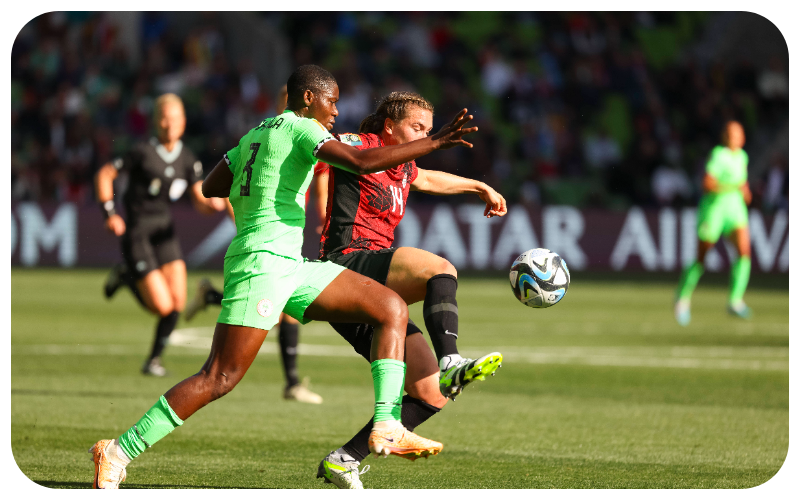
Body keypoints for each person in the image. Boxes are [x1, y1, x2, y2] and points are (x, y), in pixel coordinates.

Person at [88, 65, 480, 489]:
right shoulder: (303, 129)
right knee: (218, 377)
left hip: (290, 265)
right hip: (260, 264)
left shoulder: (254, 134)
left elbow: (212, 186)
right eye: (330, 100)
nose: (335, 111)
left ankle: (386, 424)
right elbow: (362, 161)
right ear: (308, 98)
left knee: (391, 308)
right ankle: (116, 451)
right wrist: (435, 141)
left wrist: (261, 182)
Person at [313, 91, 507, 489]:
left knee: (430, 391)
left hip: (369, 296)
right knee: (439, 268)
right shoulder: (357, 145)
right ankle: (452, 360)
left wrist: (479, 187)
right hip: (345, 264)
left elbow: (430, 178)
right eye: (417, 128)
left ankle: (344, 459)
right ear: (389, 126)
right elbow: (320, 150)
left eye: (428, 131)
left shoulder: (403, 166)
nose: (424, 136)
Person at [184, 85, 326, 404]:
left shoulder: (286, 136)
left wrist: (322, 211)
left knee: (280, 310)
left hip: (285, 237)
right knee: (273, 315)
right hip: (269, 239)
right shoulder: (279, 137)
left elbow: (321, 177)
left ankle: (210, 296)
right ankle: (291, 384)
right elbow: (233, 185)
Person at [95, 93, 228, 376]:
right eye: (164, 119)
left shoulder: (187, 158)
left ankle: (153, 361)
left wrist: (214, 203)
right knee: (162, 305)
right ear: (156, 122)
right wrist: (109, 213)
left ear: (183, 122)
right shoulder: (142, 151)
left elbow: (199, 201)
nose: (170, 125)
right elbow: (105, 174)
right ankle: (125, 275)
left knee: (177, 304)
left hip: (164, 232)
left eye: (175, 119)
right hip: (138, 233)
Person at [675, 120, 753, 326]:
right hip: (714, 210)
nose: (734, 137)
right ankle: (682, 298)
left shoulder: (743, 157)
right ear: (725, 136)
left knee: (744, 252)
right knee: (702, 257)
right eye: (730, 133)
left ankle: (735, 301)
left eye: (738, 133)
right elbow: (707, 183)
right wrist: (732, 186)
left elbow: (742, 182)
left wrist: (745, 191)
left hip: (735, 210)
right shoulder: (719, 155)